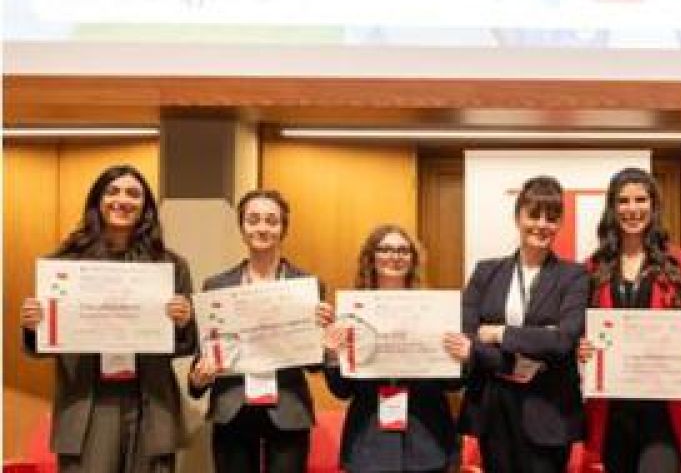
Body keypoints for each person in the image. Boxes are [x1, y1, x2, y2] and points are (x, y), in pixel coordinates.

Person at [19, 164, 196, 473]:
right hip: (87, 402)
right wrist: (35, 326)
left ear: (146, 206)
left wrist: (183, 323)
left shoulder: (169, 266)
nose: (122, 200)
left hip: (149, 402)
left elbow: (185, 345)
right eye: (112, 192)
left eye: (133, 194)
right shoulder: (64, 264)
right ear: (97, 201)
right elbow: (42, 347)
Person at [450, 175, 589, 473]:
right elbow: (468, 337)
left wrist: (499, 332)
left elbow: (562, 342)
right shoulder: (486, 272)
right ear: (517, 217)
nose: (542, 225)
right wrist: (520, 358)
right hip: (494, 408)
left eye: (551, 218)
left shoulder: (574, 276)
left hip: (549, 411)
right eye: (534, 215)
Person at [187, 189, 333, 473]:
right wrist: (197, 379)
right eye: (253, 220)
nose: (262, 228)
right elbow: (205, 354)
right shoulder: (217, 286)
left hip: (288, 409)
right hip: (232, 408)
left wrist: (322, 333)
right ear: (242, 227)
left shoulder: (307, 286)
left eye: (271, 221)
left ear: (283, 228)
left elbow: (315, 365)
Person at [578, 167, 681, 473]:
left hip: (664, 407)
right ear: (612, 208)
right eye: (623, 201)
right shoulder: (594, 266)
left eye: (641, 200)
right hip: (613, 407)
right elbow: (583, 330)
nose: (632, 209)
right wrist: (581, 347)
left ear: (653, 205)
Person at [324, 223, 463, 473]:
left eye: (403, 250)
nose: (394, 256)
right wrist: (333, 355)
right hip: (369, 444)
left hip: (428, 441)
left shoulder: (436, 310)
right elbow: (342, 391)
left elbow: (453, 384)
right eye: (385, 249)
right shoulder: (351, 312)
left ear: (413, 259)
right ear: (371, 257)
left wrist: (460, 356)